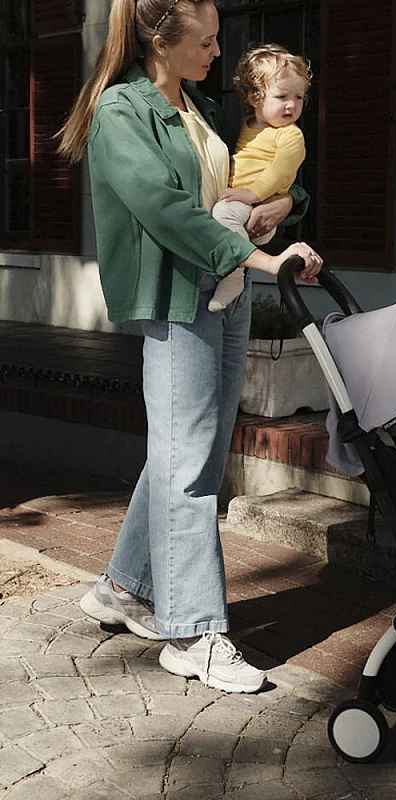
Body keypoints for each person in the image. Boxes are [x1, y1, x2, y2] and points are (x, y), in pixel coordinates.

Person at [57, 0, 322, 694]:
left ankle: (123, 588)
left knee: (189, 452)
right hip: (179, 298)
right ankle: (192, 633)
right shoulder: (122, 111)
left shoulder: (199, 107)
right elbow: (165, 210)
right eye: (205, 41)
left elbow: (263, 174)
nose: (216, 52)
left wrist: (286, 206)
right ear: (160, 40)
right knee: (189, 466)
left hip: (225, 291)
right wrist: (262, 259)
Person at [208, 44, 311, 312]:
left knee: (223, 213)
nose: (292, 105)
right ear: (255, 97)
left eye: (299, 97)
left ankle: (233, 276)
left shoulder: (290, 134)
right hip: (243, 204)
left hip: (255, 205)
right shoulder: (247, 126)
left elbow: (281, 172)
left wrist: (252, 194)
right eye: (282, 96)